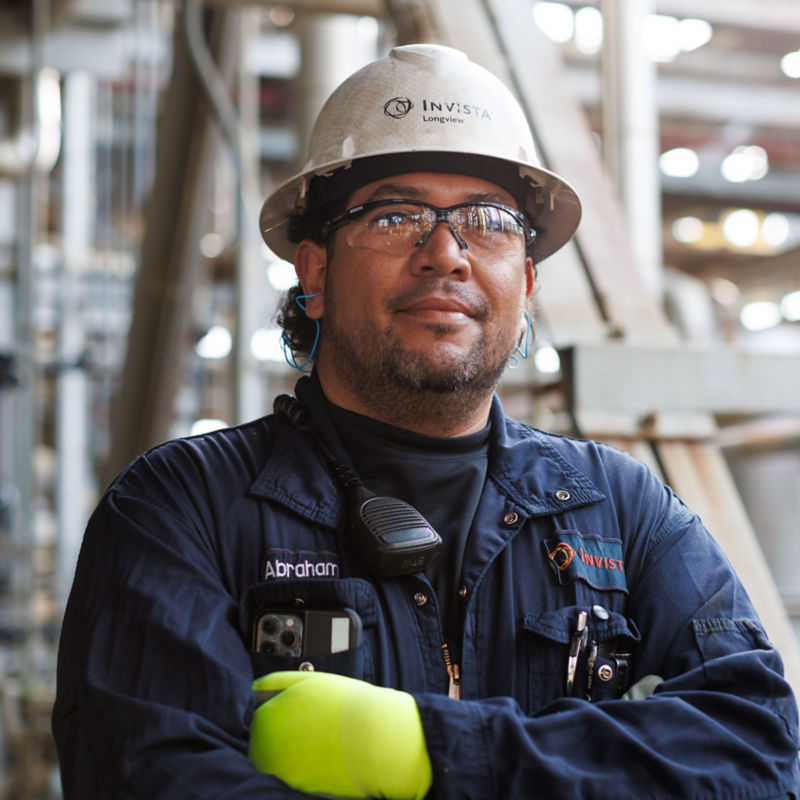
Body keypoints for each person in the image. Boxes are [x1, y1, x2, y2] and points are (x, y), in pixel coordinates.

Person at [52, 43, 799, 799]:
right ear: (315, 271)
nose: (445, 254)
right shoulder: (183, 507)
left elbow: (759, 752)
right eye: (395, 215)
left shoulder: (621, 510)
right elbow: (153, 776)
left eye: (487, 220)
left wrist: (434, 752)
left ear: (526, 283)